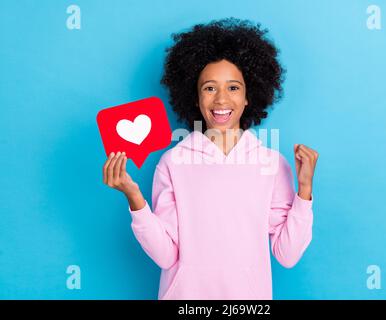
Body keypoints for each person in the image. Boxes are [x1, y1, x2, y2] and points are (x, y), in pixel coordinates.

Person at [102, 17, 319, 300]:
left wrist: (304, 192)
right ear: (195, 97)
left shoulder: (273, 163)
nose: (220, 100)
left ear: (247, 97)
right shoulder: (174, 161)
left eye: (233, 87)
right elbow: (167, 255)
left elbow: (287, 255)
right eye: (209, 88)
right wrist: (134, 198)